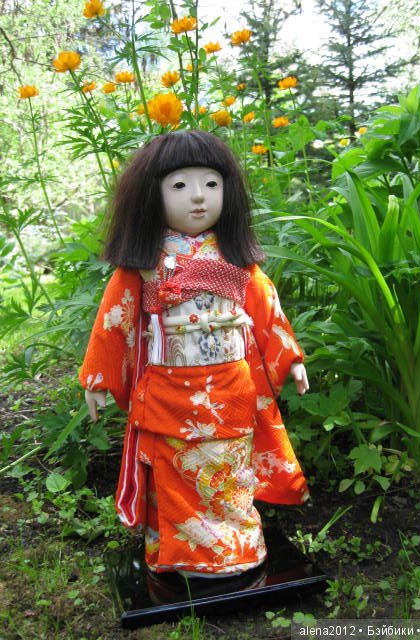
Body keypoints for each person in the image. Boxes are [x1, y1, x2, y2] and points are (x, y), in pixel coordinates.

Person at [80, 129, 310, 578]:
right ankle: (182, 555)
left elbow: (268, 312)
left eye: (211, 183)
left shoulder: (237, 260)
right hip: (170, 389)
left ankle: (238, 548)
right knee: (175, 475)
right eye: (180, 185)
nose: (199, 196)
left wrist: (292, 359)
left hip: (231, 387)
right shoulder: (144, 264)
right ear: (152, 194)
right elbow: (114, 320)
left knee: (232, 472)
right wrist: (99, 378)